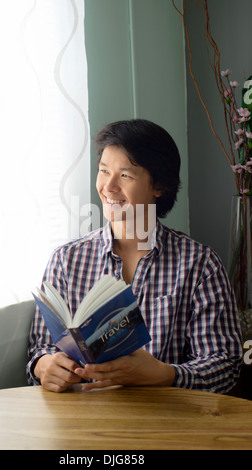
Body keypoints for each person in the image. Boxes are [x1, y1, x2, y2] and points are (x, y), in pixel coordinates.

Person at [26, 119, 242, 393]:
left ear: (159, 186)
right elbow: (40, 347)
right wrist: (45, 365)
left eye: (125, 175)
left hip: (168, 421)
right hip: (83, 422)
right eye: (104, 171)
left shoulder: (199, 263)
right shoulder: (66, 259)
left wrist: (165, 374)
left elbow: (225, 365)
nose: (109, 187)